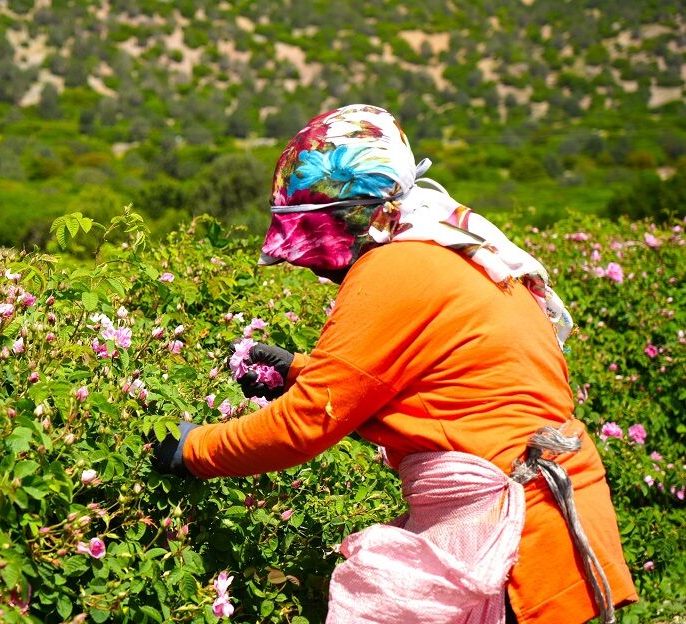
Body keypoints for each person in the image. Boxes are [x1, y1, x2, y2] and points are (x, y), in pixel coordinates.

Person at [153, 105, 637, 624]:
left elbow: (305, 424)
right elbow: (443, 389)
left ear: (347, 215)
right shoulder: (446, 248)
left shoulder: (395, 267)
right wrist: (297, 372)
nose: (311, 265)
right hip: (554, 510)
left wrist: (192, 449)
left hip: (515, 534)